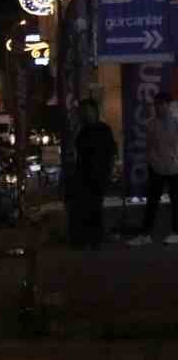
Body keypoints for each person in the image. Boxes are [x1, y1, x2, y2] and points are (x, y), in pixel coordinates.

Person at [130, 91, 178, 246]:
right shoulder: (151, 124)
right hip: (156, 167)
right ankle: (145, 234)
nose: (157, 108)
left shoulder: (176, 122)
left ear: (167, 105)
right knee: (152, 201)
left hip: (175, 167)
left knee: (176, 201)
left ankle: (176, 232)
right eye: (156, 105)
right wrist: (153, 161)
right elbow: (150, 146)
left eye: (160, 104)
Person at [73, 98, 117, 250]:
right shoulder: (82, 131)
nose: (85, 115)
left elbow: (111, 152)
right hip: (83, 175)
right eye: (83, 112)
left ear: (95, 112)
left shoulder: (104, 129)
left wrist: (109, 171)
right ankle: (86, 238)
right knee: (84, 207)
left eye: (88, 111)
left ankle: (94, 239)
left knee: (95, 208)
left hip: (98, 175)